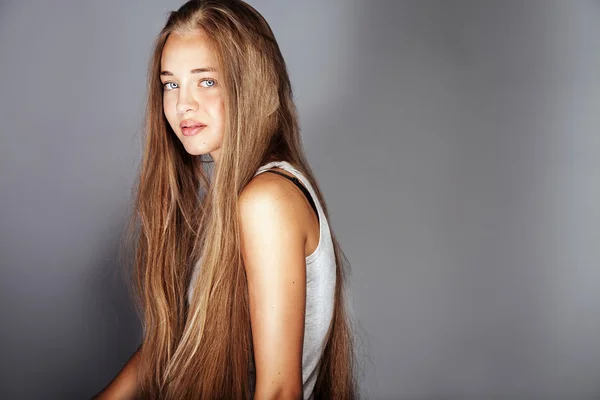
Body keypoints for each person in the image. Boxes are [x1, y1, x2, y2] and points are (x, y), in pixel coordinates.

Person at [95, 0, 357, 398]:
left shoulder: (266, 201)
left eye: (206, 81)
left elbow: (280, 390)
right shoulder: (230, 199)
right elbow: (176, 344)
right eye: (171, 83)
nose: (183, 104)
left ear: (249, 83)